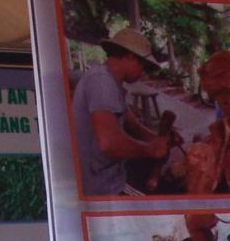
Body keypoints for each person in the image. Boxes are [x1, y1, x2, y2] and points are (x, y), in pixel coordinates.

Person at [70, 27, 171, 196]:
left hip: (110, 176)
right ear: (129, 57)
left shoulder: (112, 83)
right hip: (101, 188)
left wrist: (158, 140)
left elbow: (133, 125)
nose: (143, 72)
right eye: (143, 65)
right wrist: (149, 149)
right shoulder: (101, 82)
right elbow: (108, 142)